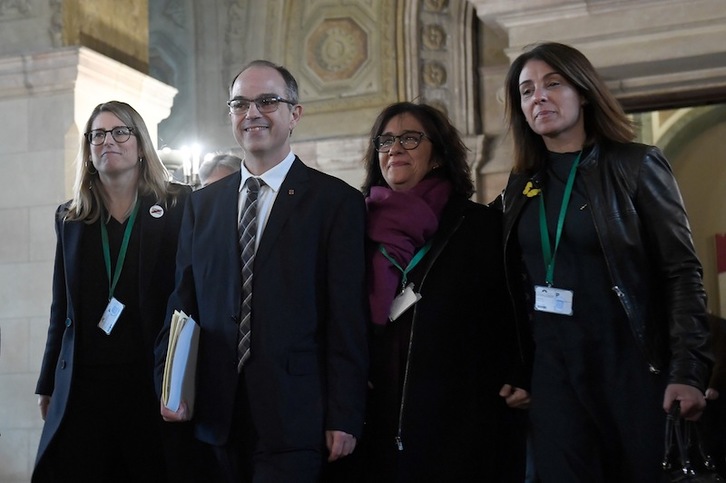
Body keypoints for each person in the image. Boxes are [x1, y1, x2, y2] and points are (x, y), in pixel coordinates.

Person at [499, 41, 713, 482]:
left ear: (584, 91)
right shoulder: (520, 187)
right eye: (525, 91)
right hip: (555, 374)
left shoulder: (636, 165)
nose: (537, 96)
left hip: (629, 366)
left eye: (552, 84)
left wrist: (688, 371)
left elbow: (682, 273)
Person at [154, 60, 369, 482]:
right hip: (215, 416)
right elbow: (183, 305)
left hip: (295, 414)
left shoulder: (334, 202)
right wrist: (170, 384)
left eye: (267, 101)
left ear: (295, 113)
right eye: (240, 104)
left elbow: (347, 318)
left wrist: (345, 413)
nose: (252, 113)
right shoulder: (202, 205)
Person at [344, 101, 528, 482]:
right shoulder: (352, 227)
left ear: (439, 155)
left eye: (410, 138)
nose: (395, 148)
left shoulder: (481, 226)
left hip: (461, 420)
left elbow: (509, 308)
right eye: (386, 140)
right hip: (373, 416)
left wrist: (522, 369)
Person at [33, 101, 192, 481]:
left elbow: (191, 296)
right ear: (88, 150)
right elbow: (62, 308)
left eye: (121, 132)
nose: (109, 141)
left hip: (149, 382)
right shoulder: (71, 217)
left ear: (140, 145)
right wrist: (48, 381)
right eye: (98, 135)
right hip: (86, 385)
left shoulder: (178, 205)